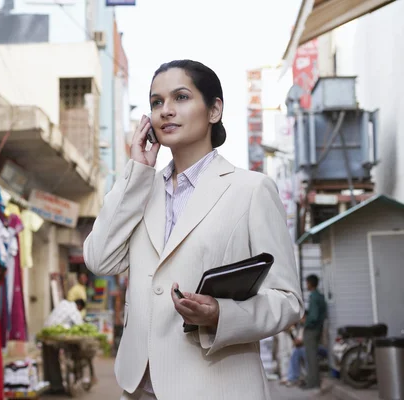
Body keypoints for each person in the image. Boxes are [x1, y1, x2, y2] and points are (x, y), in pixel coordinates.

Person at [83, 60, 304, 400]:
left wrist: (221, 314)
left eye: (181, 97)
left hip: (216, 387)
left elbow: (288, 302)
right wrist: (136, 173)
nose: (165, 111)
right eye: (156, 102)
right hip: (140, 387)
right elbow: (100, 260)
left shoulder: (251, 190)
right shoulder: (141, 189)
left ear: (214, 109)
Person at [42, 299, 86, 393]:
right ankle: (57, 386)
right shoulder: (74, 310)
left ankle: (52, 384)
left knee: (49, 359)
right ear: (79, 306)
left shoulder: (63, 303)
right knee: (56, 357)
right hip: (57, 336)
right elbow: (80, 325)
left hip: (46, 332)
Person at [303, 274, 327, 390]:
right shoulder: (321, 296)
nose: (306, 285)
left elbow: (313, 316)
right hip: (318, 329)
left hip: (311, 330)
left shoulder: (313, 297)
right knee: (314, 356)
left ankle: (312, 383)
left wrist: (305, 322)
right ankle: (314, 381)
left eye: (307, 283)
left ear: (311, 284)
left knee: (311, 357)